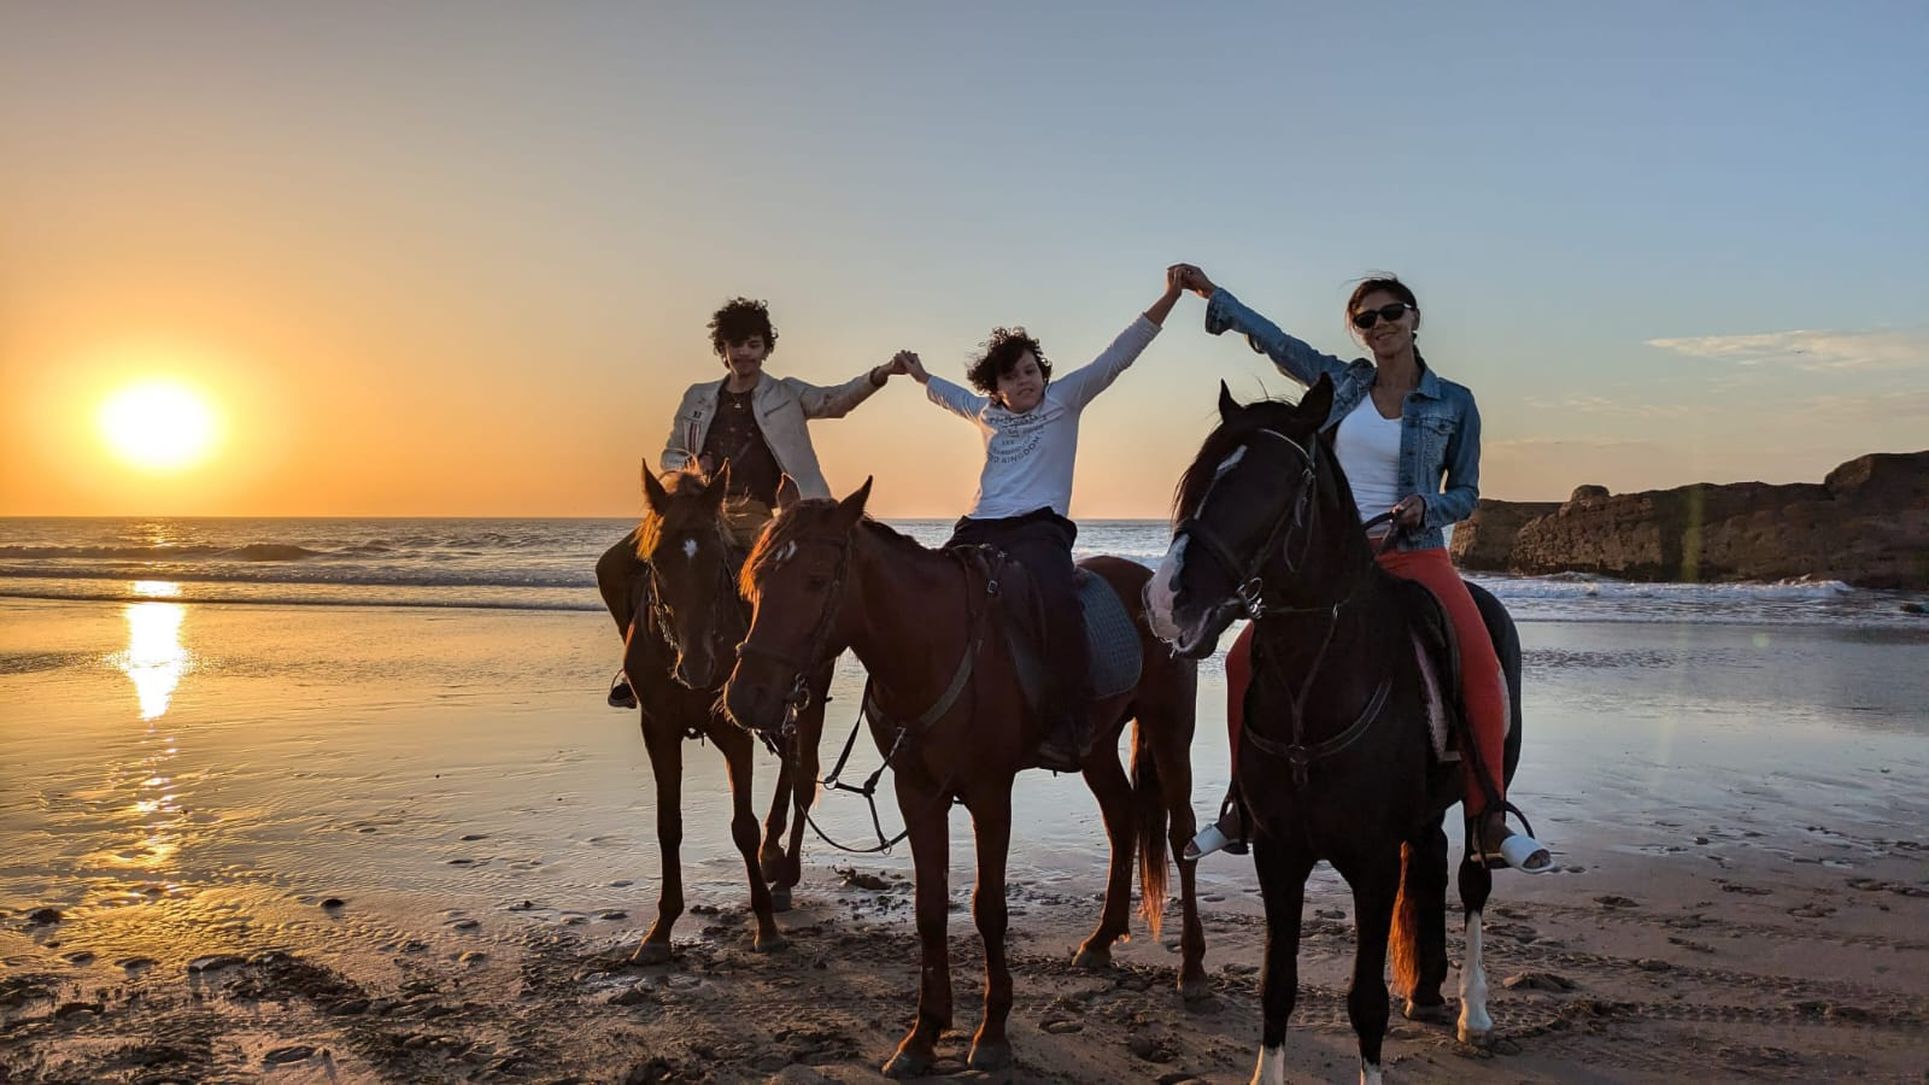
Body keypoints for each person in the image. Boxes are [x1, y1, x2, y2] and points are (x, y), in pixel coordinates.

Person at [1172, 264, 1551, 873]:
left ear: (1414, 318)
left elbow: (1469, 491)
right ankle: (1242, 802)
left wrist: (1430, 503)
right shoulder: (1342, 384)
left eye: (1390, 313)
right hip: (1340, 560)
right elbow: (1278, 343)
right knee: (1244, 658)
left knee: (1481, 665)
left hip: (1416, 551)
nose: (1380, 326)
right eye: (1365, 319)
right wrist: (1217, 299)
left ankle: (1489, 818)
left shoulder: (1455, 402)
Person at [891, 271, 1185, 769]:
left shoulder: (1065, 400)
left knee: (1057, 602)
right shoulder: (987, 415)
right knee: (929, 598)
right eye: (1011, 377)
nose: (1024, 381)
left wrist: (1170, 297)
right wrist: (920, 375)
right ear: (996, 389)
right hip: (978, 526)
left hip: (1040, 529)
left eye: (1030, 371)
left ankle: (1070, 717)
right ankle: (919, 711)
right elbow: (947, 394)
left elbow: (1117, 356)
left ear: (1042, 372)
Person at [596, 297, 908, 706]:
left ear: (765, 349)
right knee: (613, 567)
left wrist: (880, 374)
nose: (744, 353)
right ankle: (635, 666)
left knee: (766, 587)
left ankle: (773, 677)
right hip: (696, 510)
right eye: (735, 345)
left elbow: (835, 402)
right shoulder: (698, 398)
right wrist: (689, 464)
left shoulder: (785, 394)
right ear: (722, 351)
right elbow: (668, 455)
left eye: (753, 344)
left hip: (755, 510)